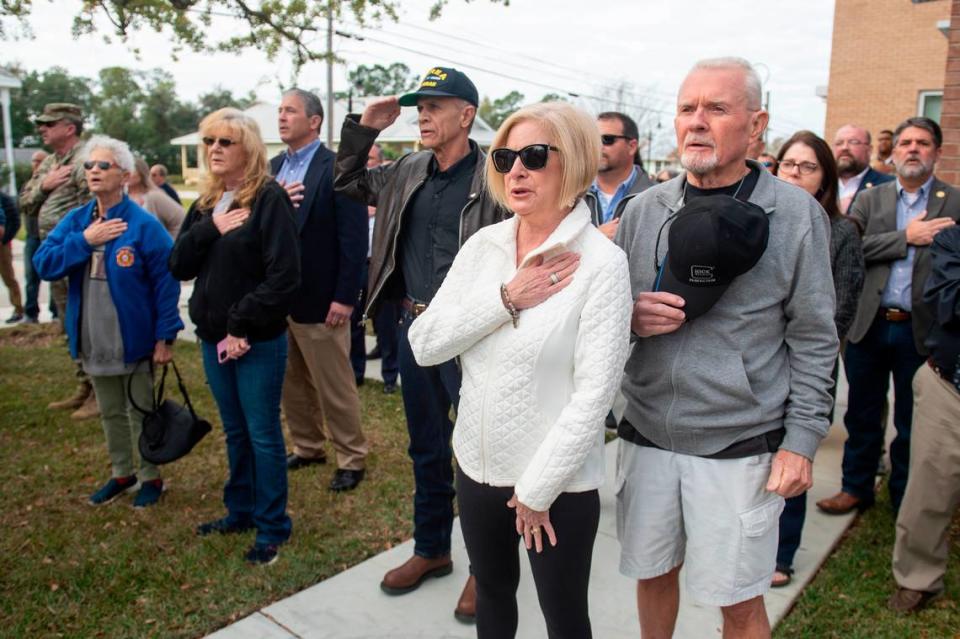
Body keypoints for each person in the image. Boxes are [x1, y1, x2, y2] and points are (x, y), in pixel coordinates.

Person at [615, 57, 838, 639]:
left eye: (716, 108)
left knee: (737, 603)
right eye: (688, 108)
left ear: (757, 125)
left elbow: (814, 337)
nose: (696, 122)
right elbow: (607, 320)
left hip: (739, 444)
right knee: (653, 574)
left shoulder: (794, 215)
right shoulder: (645, 211)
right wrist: (629, 317)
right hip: (646, 434)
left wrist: (803, 441)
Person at [409, 101, 631, 639]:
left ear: (574, 161)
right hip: (477, 467)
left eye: (533, 156)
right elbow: (424, 343)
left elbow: (594, 394)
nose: (516, 171)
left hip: (556, 488)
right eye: (506, 157)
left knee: (564, 618)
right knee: (491, 597)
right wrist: (506, 298)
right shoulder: (484, 247)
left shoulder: (602, 265)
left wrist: (538, 489)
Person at [335, 66, 507, 621]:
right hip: (416, 329)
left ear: (467, 114)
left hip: (476, 332)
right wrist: (364, 130)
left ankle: (488, 569)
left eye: (435, 106)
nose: (422, 116)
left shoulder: (496, 174)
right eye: (419, 107)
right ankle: (432, 550)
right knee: (427, 445)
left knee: (482, 453)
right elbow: (347, 182)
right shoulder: (408, 168)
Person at [169, 108, 300, 565]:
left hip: (256, 341)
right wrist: (210, 229)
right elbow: (178, 265)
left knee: (262, 434)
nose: (215, 150)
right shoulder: (206, 203)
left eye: (226, 142)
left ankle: (272, 527)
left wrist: (241, 323)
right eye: (209, 142)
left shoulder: (268, 199)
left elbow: (284, 278)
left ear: (248, 147)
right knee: (235, 432)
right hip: (212, 338)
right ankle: (239, 510)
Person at [818, 117, 959, 516]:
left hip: (922, 329)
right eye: (906, 143)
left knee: (913, 421)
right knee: (863, 412)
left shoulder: (955, 201)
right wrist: (906, 238)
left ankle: (904, 496)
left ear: (937, 152)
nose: (913, 149)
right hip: (871, 323)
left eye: (923, 143)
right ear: (893, 152)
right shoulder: (871, 198)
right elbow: (851, 247)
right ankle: (855, 487)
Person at [32, 135, 183, 508]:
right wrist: (84, 240)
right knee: (110, 410)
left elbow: (166, 283)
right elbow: (44, 264)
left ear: (126, 175)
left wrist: (165, 337)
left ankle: (151, 477)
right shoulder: (78, 221)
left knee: (139, 409)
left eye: (104, 166)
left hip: (131, 336)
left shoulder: (143, 225)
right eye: (89, 166)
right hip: (91, 334)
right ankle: (122, 473)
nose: (95, 172)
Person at [771, 130, 865, 587]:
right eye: (788, 164)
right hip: (757, 368)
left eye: (808, 167)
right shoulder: (756, 222)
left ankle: (782, 554)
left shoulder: (841, 231)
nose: (795, 173)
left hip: (806, 368)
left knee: (792, 456)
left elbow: (839, 310)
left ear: (825, 178)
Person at [271, 88, 369, 492]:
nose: (281, 117)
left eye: (290, 111)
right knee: (291, 382)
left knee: (334, 385)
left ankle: (351, 457)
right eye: (279, 110)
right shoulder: (273, 166)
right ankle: (308, 446)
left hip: (324, 298)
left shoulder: (335, 167)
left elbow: (353, 237)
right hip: (279, 299)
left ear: (314, 121)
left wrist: (345, 297)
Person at [888, 223, 960, 613]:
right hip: (951, 390)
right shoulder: (953, 241)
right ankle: (918, 577)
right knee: (930, 490)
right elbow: (949, 304)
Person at [19, 103, 99, 419]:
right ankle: (84, 382)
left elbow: (95, 210)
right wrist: (45, 185)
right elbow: (26, 202)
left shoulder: (86, 160)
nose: (42, 129)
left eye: (49, 124)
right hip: (56, 255)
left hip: (79, 255)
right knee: (69, 320)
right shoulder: (50, 164)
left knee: (86, 320)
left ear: (69, 127)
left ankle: (98, 388)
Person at [350, 142, 400, 393]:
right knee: (355, 322)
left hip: (382, 268)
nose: (366, 163)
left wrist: (378, 210)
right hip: (358, 265)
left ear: (378, 162)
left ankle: (390, 376)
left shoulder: (387, 190)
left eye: (370, 159)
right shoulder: (356, 193)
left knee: (386, 324)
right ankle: (356, 372)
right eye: (364, 159)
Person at [585, 111, 654, 240]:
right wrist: (594, 237)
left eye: (607, 139)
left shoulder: (656, 197)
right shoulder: (573, 195)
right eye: (593, 140)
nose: (598, 146)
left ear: (632, 146)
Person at [833, 124, 894, 214]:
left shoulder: (889, 186)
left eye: (853, 142)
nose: (844, 147)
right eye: (839, 143)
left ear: (869, 150)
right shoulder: (821, 184)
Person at [21, 150, 48, 324]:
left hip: (49, 236)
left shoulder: (54, 184)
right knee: (31, 277)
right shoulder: (28, 185)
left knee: (56, 278)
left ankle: (54, 313)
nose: (36, 164)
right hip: (32, 237)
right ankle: (31, 313)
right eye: (34, 161)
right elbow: (22, 206)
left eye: (40, 161)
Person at [128, 157, 184, 238]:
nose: (126, 173)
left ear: (141, 173)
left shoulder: (154, 196)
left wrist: (170, 244)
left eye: (131, 169)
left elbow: (181, 219)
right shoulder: (120, 197)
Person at [0, 189, 23, 323]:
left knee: (8, 278)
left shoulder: (5, 199)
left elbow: (15, 221)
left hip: (2, 245)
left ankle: (18, 309)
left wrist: (5, 240)